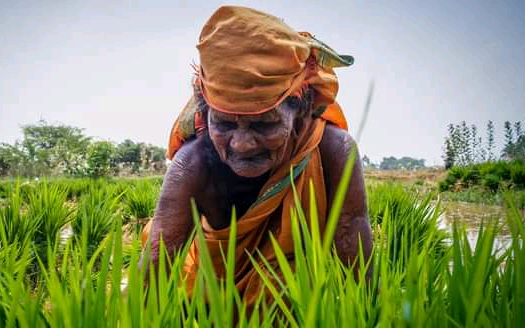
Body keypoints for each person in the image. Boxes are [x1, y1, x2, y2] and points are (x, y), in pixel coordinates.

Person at [140, 5, 373, 311]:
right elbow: (154, 274)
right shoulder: (193, 165)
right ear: (206, 114)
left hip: (297, 319)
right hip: (210, 313)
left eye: (264, 124)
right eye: (224, 124)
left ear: (301, 111)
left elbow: (353, 253)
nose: (242, 144)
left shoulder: (332, 151)